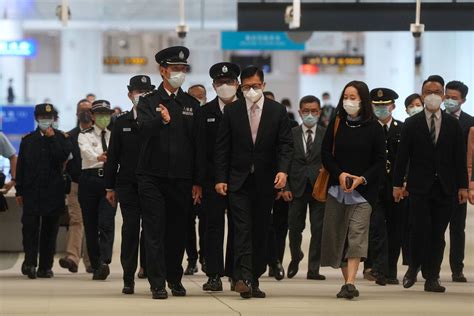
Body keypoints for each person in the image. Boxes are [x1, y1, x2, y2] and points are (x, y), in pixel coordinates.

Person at [215, 66, 293, 299]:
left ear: (263, 86)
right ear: (241, 87)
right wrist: (220, 178)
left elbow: (286, 145)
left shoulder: (277, 111)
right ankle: (243, 277)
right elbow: (222, 148)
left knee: (260, 230)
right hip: (238, 181)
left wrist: (283, 172)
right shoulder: (232, 111)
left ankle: (254, 279)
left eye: (255, 86)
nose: (251, 90)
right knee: (242, 228)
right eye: (247, 86)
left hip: (265, 180)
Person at [136, 46, 202, 299]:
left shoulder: (190, 104)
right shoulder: (148, 102)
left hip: (181, 179)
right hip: (152, 177)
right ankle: (157, 282)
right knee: (154, 230)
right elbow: (142, 131)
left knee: (177, 231)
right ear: (162, 71)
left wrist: (197, 181)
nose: (179, 73)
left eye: (183, 69)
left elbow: (197, 145)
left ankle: (175, 278)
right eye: (175, 69)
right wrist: (159, 120)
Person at [393, 75, 468, 293]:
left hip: (445, 188)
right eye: (428, 92)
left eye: (437, 92)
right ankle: (413, 266)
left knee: (438, 234)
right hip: (419, 187)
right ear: (422, 95)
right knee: (418, 231)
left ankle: (432, 277)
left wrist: (463, 187)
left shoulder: (453, 125)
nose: (433, 96)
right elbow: (402, 157)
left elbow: (459, 159)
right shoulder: (411, 124)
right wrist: (397, 184)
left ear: (443, 95)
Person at [320, 81, 386, 299]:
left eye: (354, 97)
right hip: (337, 189)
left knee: (357, 234)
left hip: (363, 192)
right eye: (346, 96)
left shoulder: (374, 127)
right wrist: (339, 174)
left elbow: (379, 160)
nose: (349, 101)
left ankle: (350, 282)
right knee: (339, 235)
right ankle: (346, 279)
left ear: (363, 100)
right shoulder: (337, 123)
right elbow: (326, 154)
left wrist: (362, 179)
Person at [104, 75, 155, 294]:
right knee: (130, 229)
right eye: (138, 92)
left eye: (146, 93)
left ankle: (152, 273)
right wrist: (109, 187)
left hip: (153, 184)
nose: (141, 96)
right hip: (127, 185)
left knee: (153, 232)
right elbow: (113, 156)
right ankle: (128, 277)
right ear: (130, 95)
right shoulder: (121, 122)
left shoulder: (157, 120)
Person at [16, 103, 71, 279]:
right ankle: (30, 263)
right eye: (42, 118)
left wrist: (51, 138)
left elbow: (62, 157)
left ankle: (46, 266)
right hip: (32, 192)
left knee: (50, 231)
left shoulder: (61, 138)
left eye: (49, 118)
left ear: (54, 119)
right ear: (36, 118)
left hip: (53, 192)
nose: (46, 121)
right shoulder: (28, 140)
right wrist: (19, 191)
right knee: (30, 229)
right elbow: (22, 167)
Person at [198, 62, 240, 292]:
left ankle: (236, 274)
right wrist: (199, 181)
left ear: (237, 84)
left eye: (230, 82)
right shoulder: (204, 113)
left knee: (238, 228)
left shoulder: (245, 110)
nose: (225, 86)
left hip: (240, 180)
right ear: (214, 86)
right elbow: (200, 150)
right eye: (221, 83)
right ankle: (213, 274)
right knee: (212, 228)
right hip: (212, 182)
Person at [363, 88, 406, 286]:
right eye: (377, 106)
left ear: (393, 106)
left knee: (396, 230)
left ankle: (391, 271)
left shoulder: (403, 129)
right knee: (377, 228)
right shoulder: (367, 129)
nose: (381, 109)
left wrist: (405, 182)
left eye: (384, 105)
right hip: (373, 187)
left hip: (396, 187)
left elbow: (409, 159)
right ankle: (378, 269)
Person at [283, 95, 326, 281]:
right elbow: (284, 160)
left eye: (314, 111)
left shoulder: (326, 134)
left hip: (319, 188)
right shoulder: (290, 134)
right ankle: (295, 256)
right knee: (294, 227)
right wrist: (285, 186)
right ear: (300, 112)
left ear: (320, 112)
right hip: (296, 186)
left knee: (318, 229)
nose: (310, 114)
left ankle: (313, 269)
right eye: (306, 111)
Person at [78, 100, 117, 281]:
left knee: (107, 222)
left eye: (106, 114)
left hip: (109, 181)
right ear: (92, 117)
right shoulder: (84, 135)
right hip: (89, 181)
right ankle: (96, 264)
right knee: (91, 225)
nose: (103, 118)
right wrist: (99, 157)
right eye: (99, 114)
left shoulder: (115, 135)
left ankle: (105, 259)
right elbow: (87, 154)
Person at [443, 80, 473, 283]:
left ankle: (457, 269)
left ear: (463, 100)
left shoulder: (470, 123)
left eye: (454, 98)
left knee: (457, 229)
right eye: (448, 97)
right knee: (433, 228)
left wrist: (469, 184)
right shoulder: (435, 118)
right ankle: (429, 267)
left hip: (458, 184)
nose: (449, 101)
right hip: (436, 182)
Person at [59, 99, 93, 274]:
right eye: (82, 110)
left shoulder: (100, 134)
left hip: (94, 185)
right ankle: (72, 258)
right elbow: (63, 161)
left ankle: (90, 261)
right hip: (75, 184)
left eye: (88, 109)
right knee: (76, 220)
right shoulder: (69, 136)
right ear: (77, 114)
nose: (85, 112)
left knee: (91, 223)